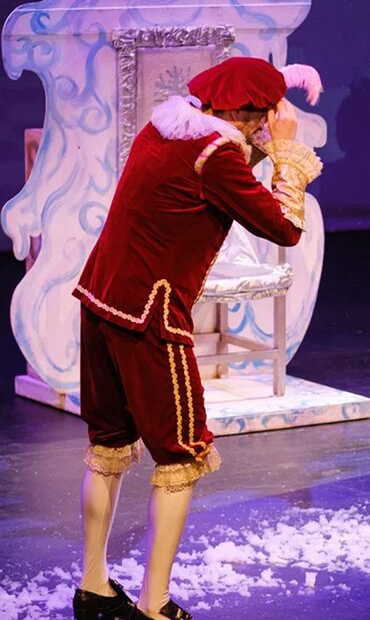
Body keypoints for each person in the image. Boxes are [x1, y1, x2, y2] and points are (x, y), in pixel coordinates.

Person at [71, 57, 322, 620]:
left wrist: (261, 135)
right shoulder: (216, 157)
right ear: (249, 115)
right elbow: (284, 227)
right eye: (264, 116)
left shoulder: (163, 129)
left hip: (101, 302)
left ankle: (92, 587)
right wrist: (285, 152)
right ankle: (155, 605)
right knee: (180, 457)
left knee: (108, 447)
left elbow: (225, 174)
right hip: (151, 320)